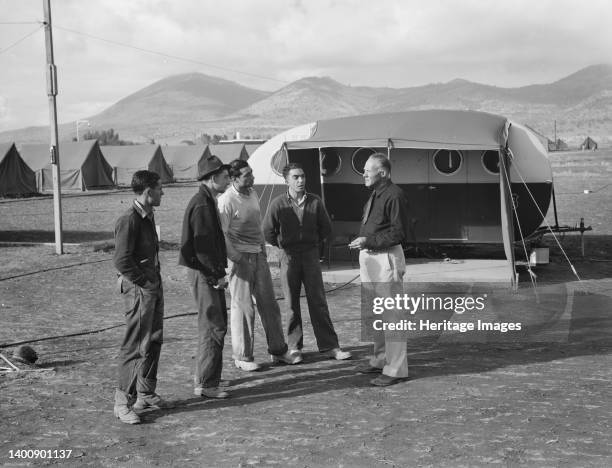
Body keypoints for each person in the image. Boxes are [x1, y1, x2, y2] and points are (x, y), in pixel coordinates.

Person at [217, 159, 300, 371]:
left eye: (252, 173)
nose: (252, 177)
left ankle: (278, 351)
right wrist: (236, 259)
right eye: (247, 175)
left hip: (258, 255)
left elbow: (256, 224)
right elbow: (222, 235)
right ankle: (242, 357)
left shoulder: (252, 193)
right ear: (235, 179)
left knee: (269, 305)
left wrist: (262, 250)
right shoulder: (226, 201)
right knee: (244, 308)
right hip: (239, 258)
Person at [263, 162, 351, 361]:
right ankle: (294, 348)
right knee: (291, 304)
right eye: (295, 177)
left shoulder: (315, 202)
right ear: (286, 180)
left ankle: (330, 346)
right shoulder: (278, 203)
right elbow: (267, 231)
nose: (301, 180)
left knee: (318, 302)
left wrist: (313, 244)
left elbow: (326, 229)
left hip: (310, 256)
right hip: (288, 257)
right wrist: (282, 243)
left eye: (302, 176)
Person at [349, 153, 411, 386]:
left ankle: (396, 369)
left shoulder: (395, 195)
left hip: (386, 258)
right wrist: (364, 241)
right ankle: (380, 359)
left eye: (367, 170)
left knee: (392, 315)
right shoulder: (376, 194)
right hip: (371, 258)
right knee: (375, 313)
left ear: (382, 173)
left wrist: (368, 241)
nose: (363, 173)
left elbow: (399, 232)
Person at [113, 170, 166, 424]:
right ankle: (122, 403)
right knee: (134, 345)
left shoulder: (147, 216)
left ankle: (146, 392)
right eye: (159, 188)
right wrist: (145, 282)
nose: (162, 192)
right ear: (148, 192)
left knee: (154, 339)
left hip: (152, 286)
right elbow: (122, 260)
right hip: (138, 289)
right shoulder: (130, 220)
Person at [179, 155, 232, 398]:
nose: (228, 180)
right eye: (224, 176)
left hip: (205, 272)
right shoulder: (202, 204)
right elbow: (203, 249)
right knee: (213, 325)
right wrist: (217, 275)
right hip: (204, 273)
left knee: (213, 324)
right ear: (212, 178)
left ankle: (205, 376)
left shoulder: (207, 200)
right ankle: (207, 383)